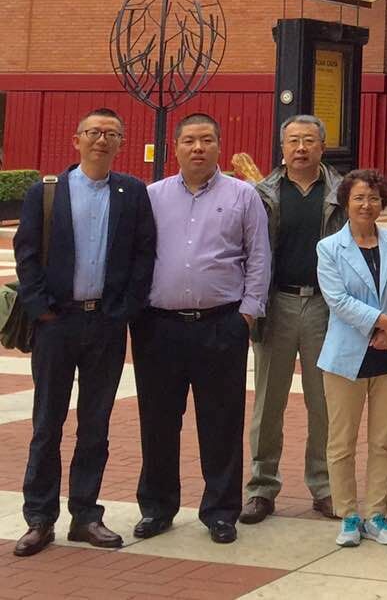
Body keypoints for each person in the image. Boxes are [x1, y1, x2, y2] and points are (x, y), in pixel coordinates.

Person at [12, 109, 156, 557]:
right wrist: (41, 309)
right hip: (57, 323)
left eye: (111, 134)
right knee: (47, 423)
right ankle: (39, 518)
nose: (101, 140)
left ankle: (86, 515)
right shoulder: (46, 192)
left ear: (121, 143)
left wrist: (124, 310)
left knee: (96, 423)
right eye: (93, 132)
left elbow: (144, 254)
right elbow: (27, 253)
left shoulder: (131, 192)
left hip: (106, 323)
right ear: (76, 140)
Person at [132, 113, 271, 545]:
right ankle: (157, 508)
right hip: (159, 327)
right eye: (190, 140)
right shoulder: (152, 196)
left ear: (219, 146)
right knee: (158, 421)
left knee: (222, 422)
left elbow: (258, 256)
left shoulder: (243, 195)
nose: (198, 148)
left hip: (221, 325)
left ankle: (221, 511)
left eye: (207, 140)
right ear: (175, 147)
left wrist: (247, 314)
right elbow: (137, 254)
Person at [241, 116, 346, 525]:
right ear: (282, 147)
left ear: (322, 146)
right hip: (277, 304)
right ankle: (261, 487)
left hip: (325, 307)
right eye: (293, 141)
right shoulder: (260, 194)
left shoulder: (341, 191)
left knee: (325, 402)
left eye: (309, 141)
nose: (301, 148)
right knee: (268, 402)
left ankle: (325, 486)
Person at [316, 169, 387, 548]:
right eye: (358, 197)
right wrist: (382, 322)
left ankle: (376, 514)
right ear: (346, 202)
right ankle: (348, 516)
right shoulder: (329, 248)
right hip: (346, 357)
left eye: (373, 198)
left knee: (383, 441)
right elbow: (337, 300)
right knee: (341, 442)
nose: (366, 205)